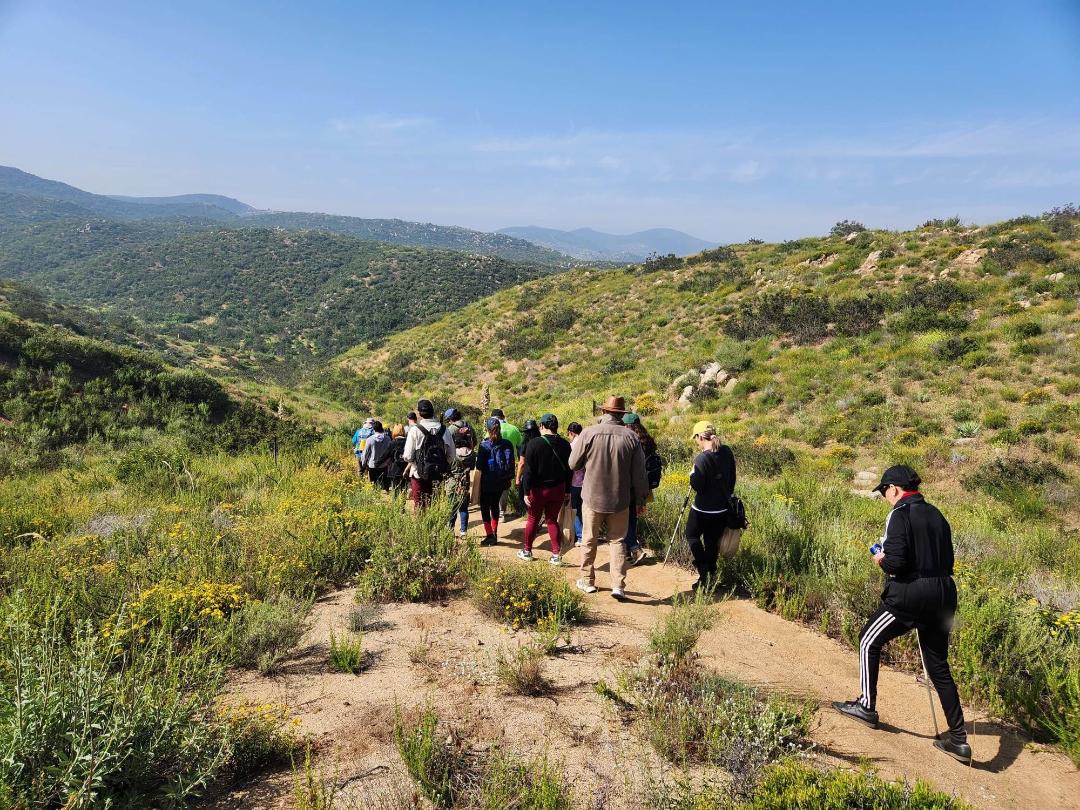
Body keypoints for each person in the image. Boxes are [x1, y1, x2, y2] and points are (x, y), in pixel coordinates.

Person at [833, 465, 972, 765]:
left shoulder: (899, 514)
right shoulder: (937, 514)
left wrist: (880, 558)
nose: (884, 497)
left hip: (912, 592)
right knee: (938, 666)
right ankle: (959, 739)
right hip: (945, 592)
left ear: (895, 489)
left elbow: (895, 563)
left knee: (868, 640)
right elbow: (946, 558)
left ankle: (866, 707)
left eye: (884, 491)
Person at [568, 396, 650, 600]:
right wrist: (640, 499)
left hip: (592, 497)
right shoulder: (631, 437)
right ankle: (618, 585)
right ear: (621, 414)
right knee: (618, 541)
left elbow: (573, 464)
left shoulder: (588, 433)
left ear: (604, 412)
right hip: (620, 499)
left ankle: (587, 581)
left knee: (588, 539)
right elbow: (640, 474)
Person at [684, 421, 737, 590]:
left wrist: (692, 475)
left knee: (692, 535)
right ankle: (711, 573)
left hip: (702, 509)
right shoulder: (727, 451)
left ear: (701, 437)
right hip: (722, 507)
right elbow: (732, 478)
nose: (696, 442)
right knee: (711, 541)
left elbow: (697, 486)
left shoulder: (701, 459)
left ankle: (704, 571)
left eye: (696, 439)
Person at [518, 413, 572, 565]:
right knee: (552, 520)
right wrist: (567, 490)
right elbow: (569, 470)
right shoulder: (565, 444)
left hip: (538, 490)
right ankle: (556, 555)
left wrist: (526, 491)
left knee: (533, 519)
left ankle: (527, 551)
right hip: (558, 488)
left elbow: (528, 471)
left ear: (542, 426)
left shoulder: (533, 444)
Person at [622, 412, 661, 566]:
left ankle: (634, 547)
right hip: (645, 487)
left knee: (626, 518)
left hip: (631, 486)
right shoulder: (648, 440)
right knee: (632, 517)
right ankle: (627, 552)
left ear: (628, 426)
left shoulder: (631, 441)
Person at [402, 399, 456, 509]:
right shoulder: (444, 430)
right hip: (438, 474)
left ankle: (422, 525)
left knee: (420, 505)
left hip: (418, 473)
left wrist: (416, 462)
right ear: (433, 411)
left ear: (420, 413)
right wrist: (440, 463)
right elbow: (451, 456)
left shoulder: (415, 430)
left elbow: (407, 456)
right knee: (435, 505)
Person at [476, 417, 515, 546]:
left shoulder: (484, 445)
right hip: (501, 482)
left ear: (487, 429)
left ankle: (489, 535)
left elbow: (480, 466)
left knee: (485, 508)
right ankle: (495, 532)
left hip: (487, 482)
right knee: (495, 506)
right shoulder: (507, 444)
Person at [491, 408, 523, 519]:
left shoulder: (492, 427)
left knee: (494, 486)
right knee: (505, 488)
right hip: (509, 463)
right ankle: (502, 512)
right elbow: (520, 446)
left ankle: (495, 511)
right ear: (503, 417)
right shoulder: (514, 429)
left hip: (494, 463)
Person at [448, 421, 477, 539]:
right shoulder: (472, 454)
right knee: (464, 509)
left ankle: (450, 530)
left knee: (452, 508)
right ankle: (464, 531)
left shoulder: (453, 454)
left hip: (452, 483)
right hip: (465, 483)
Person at [566, 422, 585, 546]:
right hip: (588, 484)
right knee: (587, 510)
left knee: (576, 511)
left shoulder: (570, 446)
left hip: (574, 483)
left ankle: (580, 536)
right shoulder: (587, 445)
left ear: (571, 433)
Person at [360, 420, 392, 490]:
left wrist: (364, 464)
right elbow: (390, 452)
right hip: (384, 465)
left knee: (374, 485)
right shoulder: (388, 439)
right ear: (382, 428)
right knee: (385, 486)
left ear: (374, 429)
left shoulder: (370, 439)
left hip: (372, 465)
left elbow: (366, 453)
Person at [386, 424, 409, 493]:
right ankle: (402, 502)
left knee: (395, 488)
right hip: (405, 468)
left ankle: (396, 502)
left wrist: (377, 462)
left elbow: (386, 455)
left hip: (394, 468)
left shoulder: (392, 443)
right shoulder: (408, 442)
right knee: (404, 487)